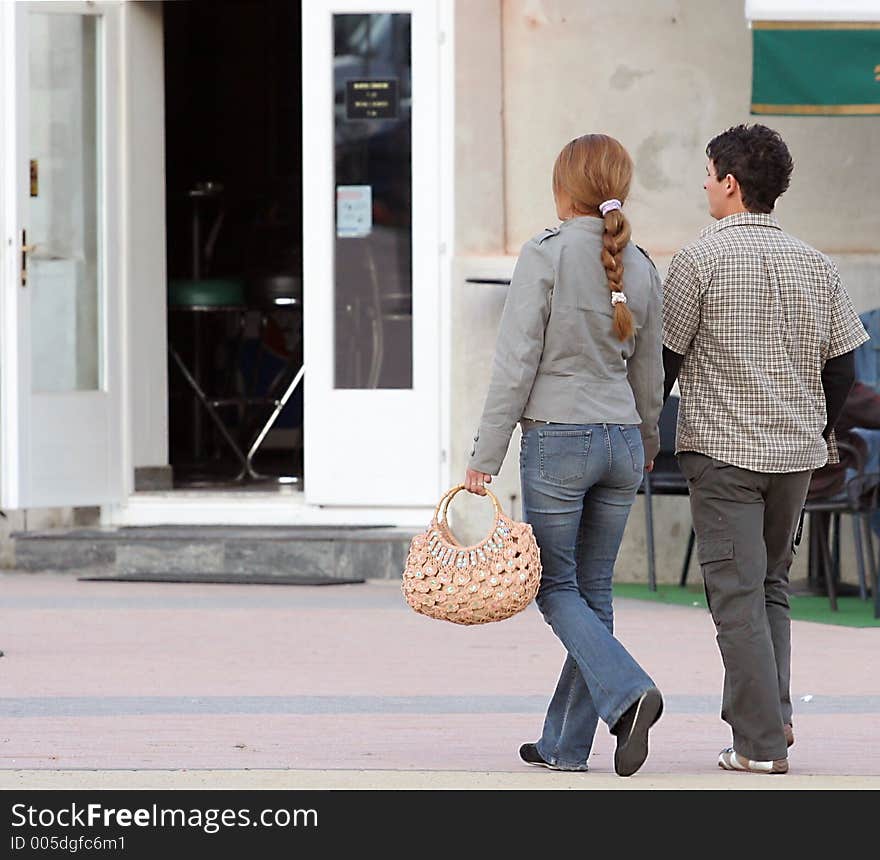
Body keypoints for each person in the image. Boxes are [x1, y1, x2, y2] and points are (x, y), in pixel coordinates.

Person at [662, 123, 869, 775]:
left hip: (724, 454)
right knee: (771, 587)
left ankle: (758, 746)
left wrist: (644, 431)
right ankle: (774, 720)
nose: (703, 184)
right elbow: (845, 370)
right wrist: (813, 429)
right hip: (796, 458)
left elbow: (664, 361)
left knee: (736, 596)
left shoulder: (698, 259)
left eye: (707, 173)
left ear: (729, 183)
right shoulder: (816, 263)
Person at [464, 134, 664, 777]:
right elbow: (651, 373)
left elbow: (515, 362)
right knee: (593, 593)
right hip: (623, 443)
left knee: (555, 588)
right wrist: (649, 442)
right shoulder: (642, 264)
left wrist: (483, 458)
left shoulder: (545, 255)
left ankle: (629, 693)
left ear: (563, 188)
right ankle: (565, 746)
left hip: (559, 441)